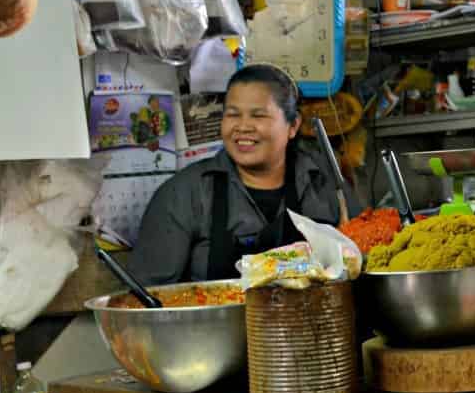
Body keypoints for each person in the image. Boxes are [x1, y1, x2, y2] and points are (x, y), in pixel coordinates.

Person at [129, 64, 361, 284]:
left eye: (258, 115)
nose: (243, 126)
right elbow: (149, 297)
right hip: (217, 325)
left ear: (293, 125)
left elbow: (365, 262)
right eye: (233, 114)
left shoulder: (326, 186)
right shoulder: (184, 194)